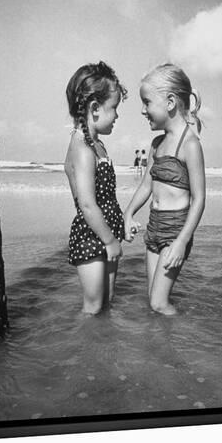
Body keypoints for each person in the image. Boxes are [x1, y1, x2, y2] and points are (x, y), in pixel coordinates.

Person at [124, 63, 205, 315]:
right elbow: (146, 185)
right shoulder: (157, 144)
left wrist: (182, 241)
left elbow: (199, 199)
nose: (143, 110)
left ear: (170, 102)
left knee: (159, 303)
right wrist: (128, 214)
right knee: (152, 300)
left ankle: (183, 341)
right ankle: (160, 346)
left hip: (175, 230)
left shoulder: (189, 144)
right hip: (154, 227)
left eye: (147, 102)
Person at [65, 61, 127, 314]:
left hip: (107, 229)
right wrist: (110, 240)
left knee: (107, 300)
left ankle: (104, 350)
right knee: (92, 306)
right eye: (114, 108)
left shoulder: (97, 145)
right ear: (94, 108)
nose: (117, 115)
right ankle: (84, 349)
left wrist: (120, 225)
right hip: (93, 235)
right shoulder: (81, 148)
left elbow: (106, 197)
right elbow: (88, 204)